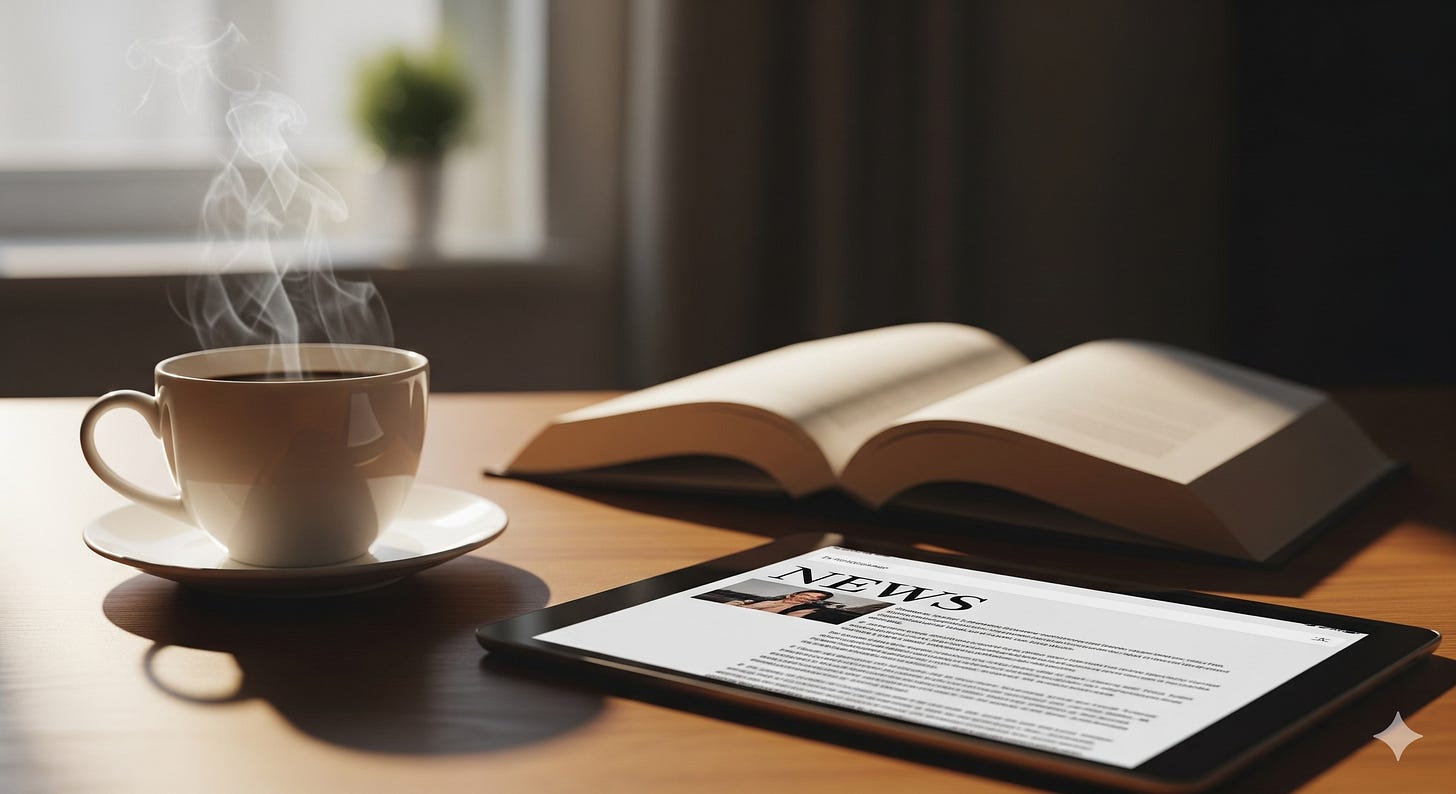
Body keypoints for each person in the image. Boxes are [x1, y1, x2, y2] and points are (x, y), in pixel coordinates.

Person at [725, 589, 833, 617]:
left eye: (815, 599)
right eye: (807, 595)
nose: (809, 599)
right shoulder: (763, 599)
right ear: (793, 594)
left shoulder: (803, 610)